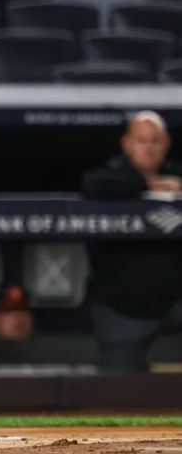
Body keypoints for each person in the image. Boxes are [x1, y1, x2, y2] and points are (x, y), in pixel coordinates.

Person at [82, 111, 182, 372]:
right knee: (118, 392)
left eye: (154, 141)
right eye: (141, 141)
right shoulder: (109, 177)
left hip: (175, 301)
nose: (148, 148)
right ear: (127, 143)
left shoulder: (177, 177)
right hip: (123, 307)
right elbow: (94, 185)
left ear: (166, 143)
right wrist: (148, 185)